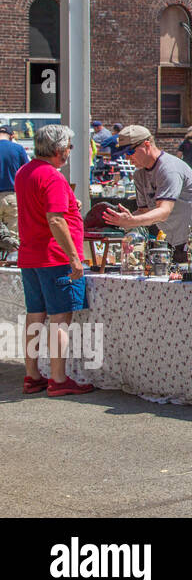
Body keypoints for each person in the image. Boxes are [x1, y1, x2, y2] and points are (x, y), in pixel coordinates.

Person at [16, 125, 93, 397]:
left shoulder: (25, 172)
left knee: (35, 316)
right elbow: (56, 218)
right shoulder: (52, 176)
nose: (70, 152)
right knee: (60, 317)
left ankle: (32, 374)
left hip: (31, 254)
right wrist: (74, 257)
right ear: (59, 151)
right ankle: (58, 379)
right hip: (53, 257)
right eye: (69, 148)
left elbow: (49, 210)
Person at [104, 126, 192, 260]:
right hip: (178, 239)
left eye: (130, 151)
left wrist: (132, 221)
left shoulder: (168, 168)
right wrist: (123, 222)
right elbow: (144, 212)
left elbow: (163, 212)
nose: (127, 158)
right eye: (124, 154)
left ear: (146, 145)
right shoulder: (139, 175)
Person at [0, 124, 30, 230]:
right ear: (12, 136)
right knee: (13, 235)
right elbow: (28, 171)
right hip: (12, 196)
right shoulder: (18, 148)